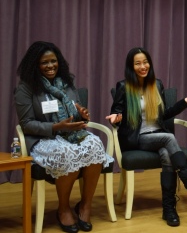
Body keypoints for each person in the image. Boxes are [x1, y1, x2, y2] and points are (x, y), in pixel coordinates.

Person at [106, 47, 187, 227]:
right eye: (138, 63)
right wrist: (115, 119)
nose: (143, 66)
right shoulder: (123, 86)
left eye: (145, 62)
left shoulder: (157, 84)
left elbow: (164, 115)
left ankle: (169, 209)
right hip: (137, 138)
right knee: (169, 139)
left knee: (166, 154)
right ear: (131, 66)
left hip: (157, 135)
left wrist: (183, 103)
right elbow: (115, 114)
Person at [14, 41, 114, 233]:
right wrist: (55, 127)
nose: (50, 66)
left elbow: (74, 112)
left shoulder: (66, 83)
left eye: (53, 61)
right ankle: (63, 208)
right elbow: (26, 124)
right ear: (35, 64)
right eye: (44, 62)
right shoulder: (26, 88)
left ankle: (85, 205)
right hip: (44, 138)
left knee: (95, 144)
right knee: (65, 152)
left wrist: (82, 114)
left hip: (70, 132)